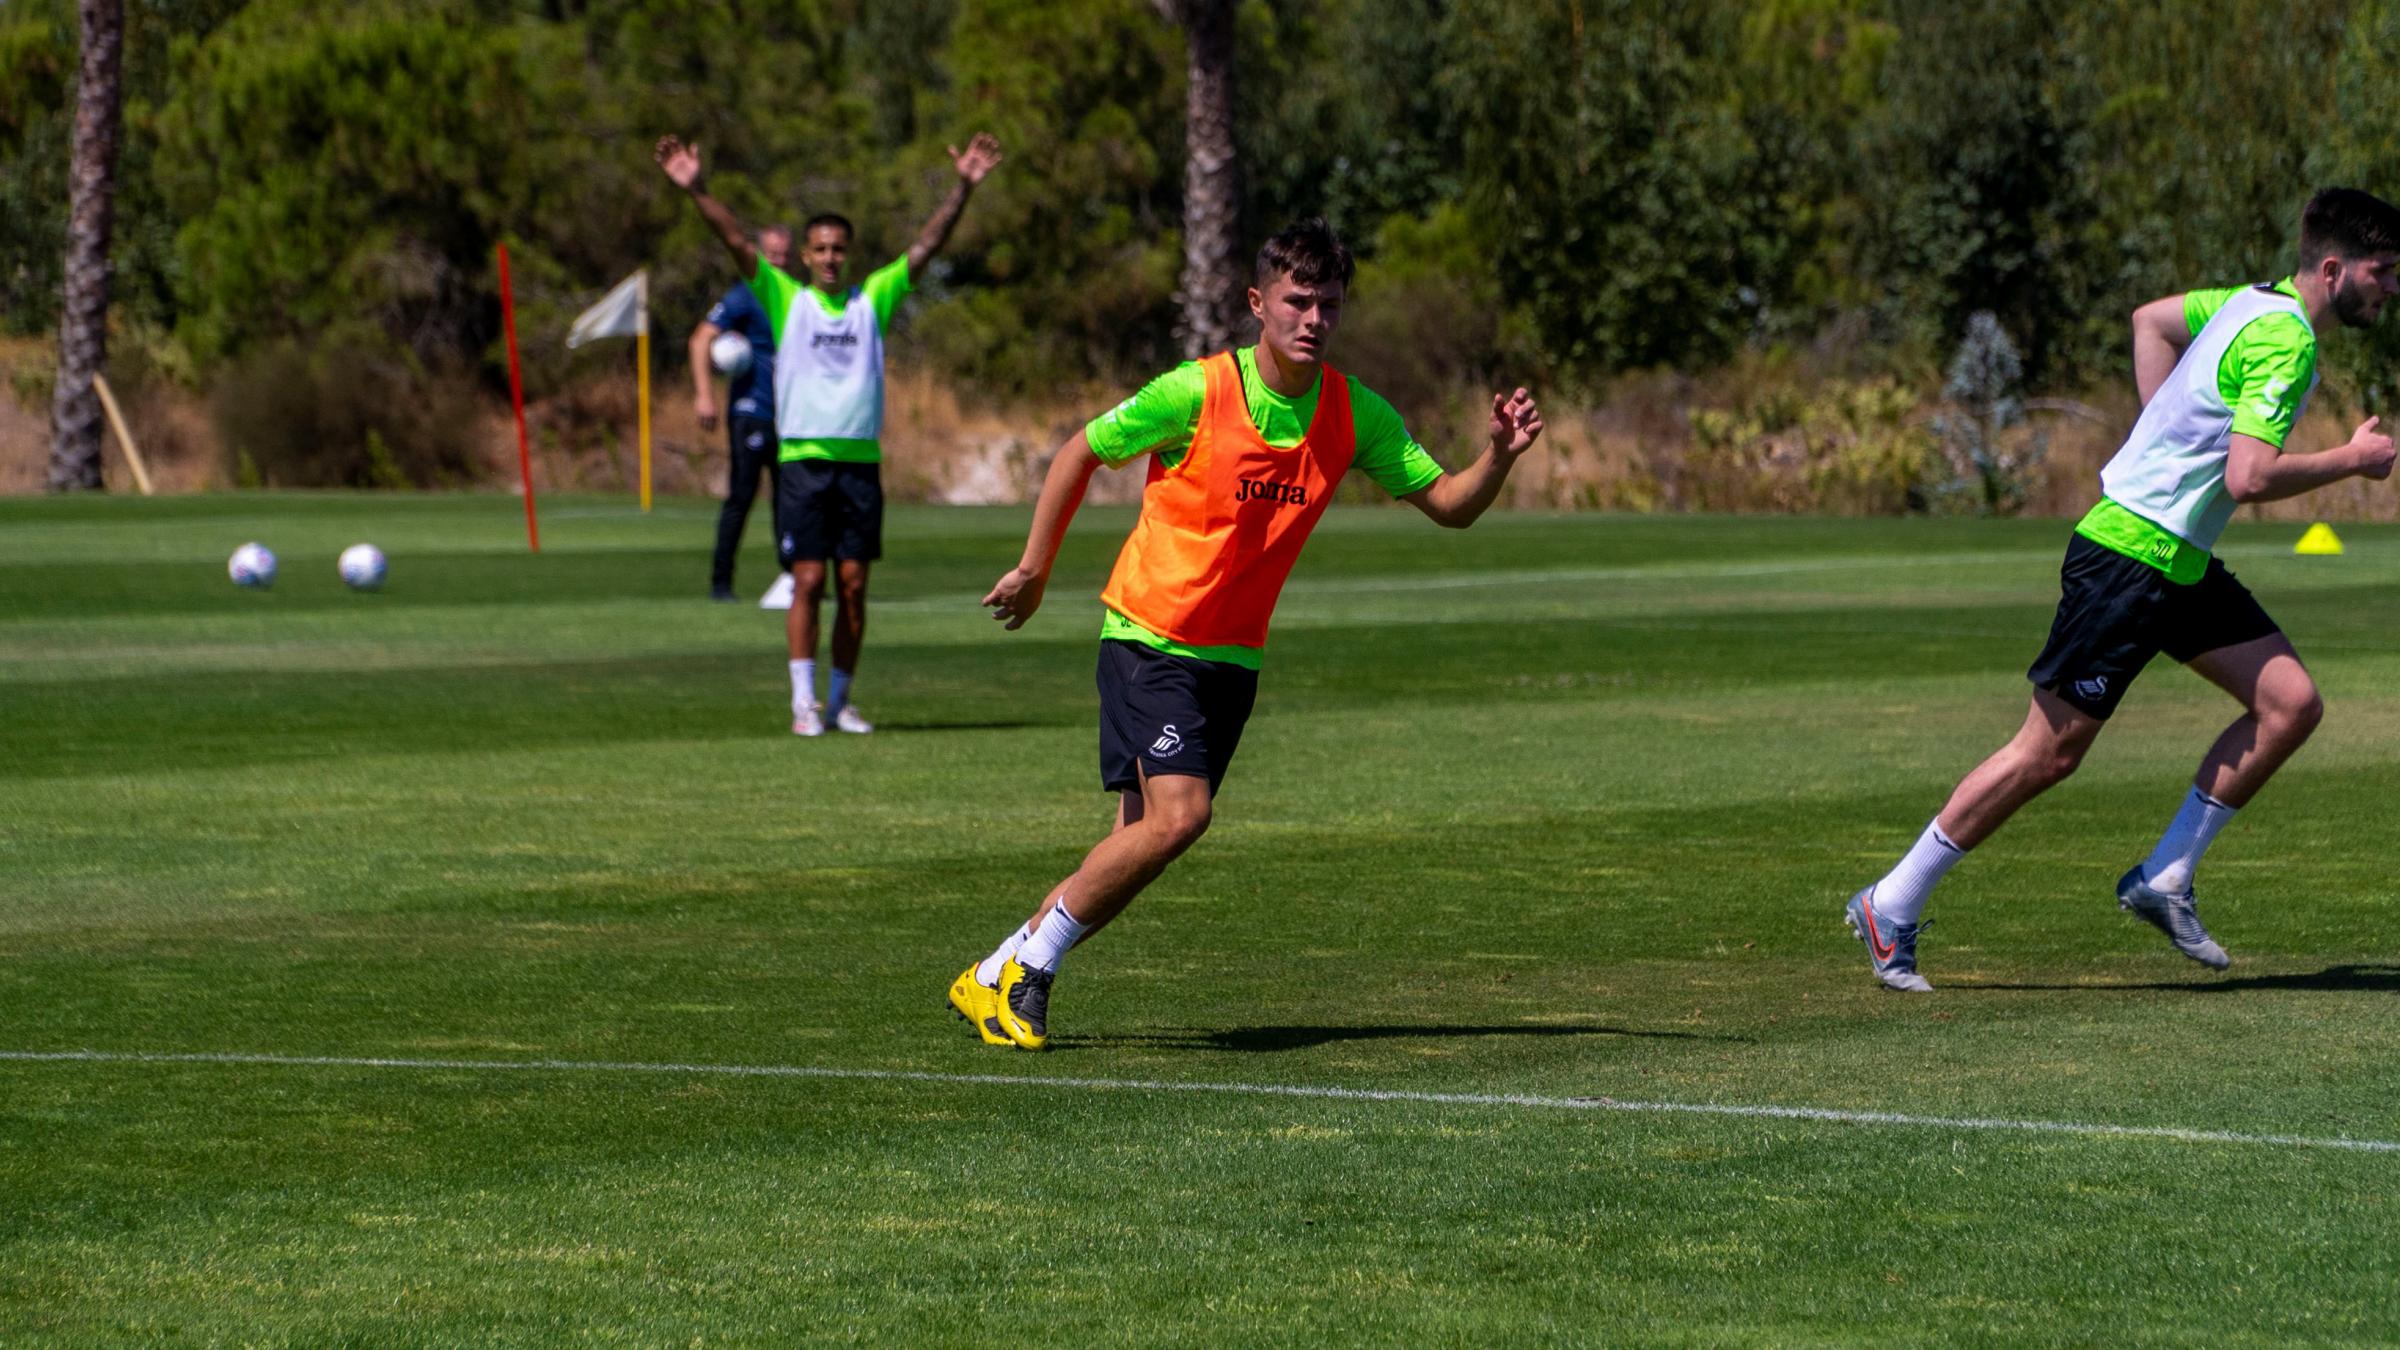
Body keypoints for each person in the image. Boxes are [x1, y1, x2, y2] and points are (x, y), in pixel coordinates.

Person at [948, 217, 1545, 1050]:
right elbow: (1078, 453)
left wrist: (1500, 457)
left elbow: (1449, 505)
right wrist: (1036, 567)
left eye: (1329, 305)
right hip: (1151, 636)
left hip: (1232, 658)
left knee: (1137, 843)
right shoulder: (1195, 391)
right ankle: (1030, 971)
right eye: (1297, 301)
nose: (1313, 319)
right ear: (1258, 303)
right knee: (1181, 817)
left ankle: (989, 974)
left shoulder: (1353, 412)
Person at [1845, 187, 2400, 992]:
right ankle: (1889, 905)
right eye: (2383, 272)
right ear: (2332, 267)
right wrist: (2352, 461)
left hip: (2176, 560)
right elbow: (2249, 477)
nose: (2392, 288)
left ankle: (2166, 876)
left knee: (2290, 703)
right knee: (2048, 754)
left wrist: (2162, 432)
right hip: (2130, 559)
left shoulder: (2247, 301)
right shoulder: (2286, 342)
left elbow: (2151, 319)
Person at [654, 130, 1004, 734]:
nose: (830, 257)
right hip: (803, 461)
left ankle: (841, 702)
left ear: (849, 253)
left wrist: (963, 190)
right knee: (808, 579)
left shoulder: (874, 300)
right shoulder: (785, 298)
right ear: (807, 256)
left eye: (839, 248)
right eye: (820, 249)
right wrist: (698, 190)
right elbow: (734, 239)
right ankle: (802, 703)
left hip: (859, 462)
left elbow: (927, 245)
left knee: (854, 583)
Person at [690, 224, 795, 606]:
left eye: (784, 254)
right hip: (750, 412)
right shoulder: (744, 296)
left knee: (790, 500)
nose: (778, 261)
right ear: (758, 254)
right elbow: (700, 338)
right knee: (741, 496)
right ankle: (721, 584)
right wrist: (705, 395)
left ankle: (794, 578)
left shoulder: (796, 297)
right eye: (772, 255)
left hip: (792, 418)